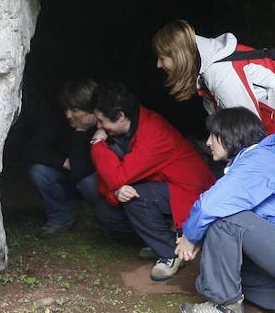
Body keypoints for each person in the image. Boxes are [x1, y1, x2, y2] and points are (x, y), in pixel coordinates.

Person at [174, 108, 275, 313]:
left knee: (223, 220)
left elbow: (209, 206)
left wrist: (189, 236)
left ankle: (226, 308)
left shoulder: (257, 163)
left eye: (212, 135)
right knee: (224, 270)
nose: (207, 142)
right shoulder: (264, 159)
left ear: (228, 135)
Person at [89, 81, 216, 280]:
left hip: (188, 194)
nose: (99, 127)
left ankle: (171, 252)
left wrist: (97, 144)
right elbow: (107, 182)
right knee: (105, 211)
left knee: (137, 199)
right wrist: (115, 192)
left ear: (121, 116)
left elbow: (116, 176)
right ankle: (164, 236)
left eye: (101, 121)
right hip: (160, 186)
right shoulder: (126, 128)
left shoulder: (152, 132)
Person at [153, 20, 275, 154]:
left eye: (162, 58)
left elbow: (248, 133)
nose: (158, 65)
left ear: (179, 56)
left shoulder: (220, 74)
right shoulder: (209, 66)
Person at [24, 78, 122, 239]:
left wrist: (81, 130)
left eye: (75, 110)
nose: (68, 115)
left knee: (88, 181)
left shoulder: (108, 126)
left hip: (95, 183)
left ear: (91, 111)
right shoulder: (60, 120)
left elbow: (81, 170)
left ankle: (109, 221)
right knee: (39, 171)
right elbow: (31, 149)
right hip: (69, 178)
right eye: (66, 109)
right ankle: (60, 218)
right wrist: (63, 162)